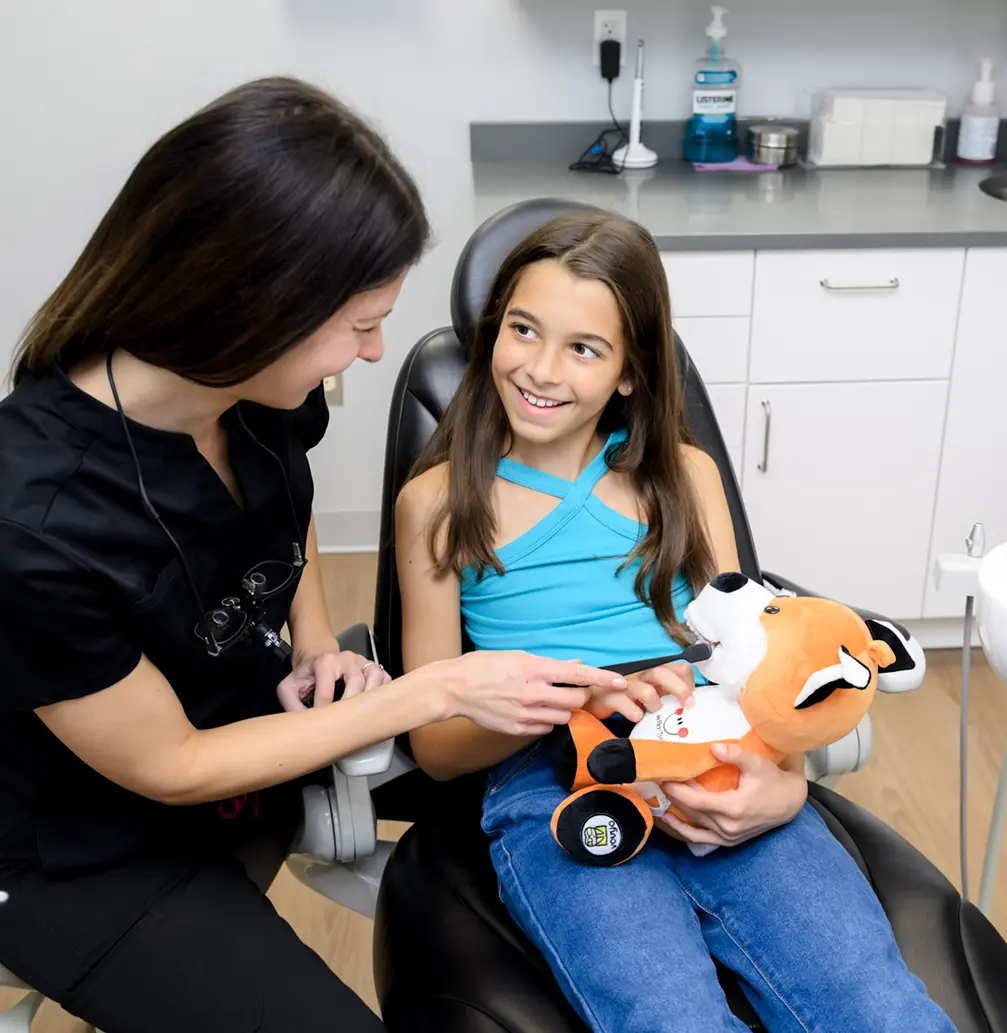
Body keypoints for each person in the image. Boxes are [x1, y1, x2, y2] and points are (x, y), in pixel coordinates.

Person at [0, 78, 630, 1033]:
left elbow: (276, 515)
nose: (376, 353)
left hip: (243, 728)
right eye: (360, 323)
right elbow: (167, 763)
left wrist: (307, 639)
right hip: (81, 842)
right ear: (244, 309)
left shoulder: (252, 393)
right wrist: (428, 689)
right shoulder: (33, 518)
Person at [394, 211, 958, 1032]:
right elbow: (438, 745)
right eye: (522, 330)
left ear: (629, 372)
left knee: (876, 1007)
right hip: (554, 780)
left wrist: (785, 782)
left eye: (583, 348)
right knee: (667, 1019)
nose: (541, 368)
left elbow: (752, 653)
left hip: (720, 757)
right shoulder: (438, 504)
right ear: (493, 333)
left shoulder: (684, 479)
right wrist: (576, 699)